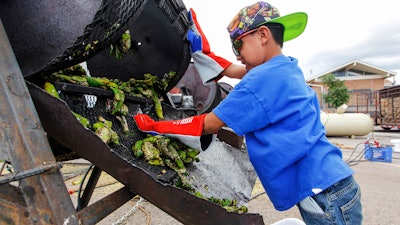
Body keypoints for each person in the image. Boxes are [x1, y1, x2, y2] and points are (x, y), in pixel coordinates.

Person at [135, 1, 363, 224]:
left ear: (262, 35)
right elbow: (235, 71)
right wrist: (203, 53)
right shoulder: (285, 68)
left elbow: (208, 124)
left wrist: (156, 126)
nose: (236, 55)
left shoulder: (261, 80)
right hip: (332, 184)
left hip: (326, 195)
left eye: (238, 45)